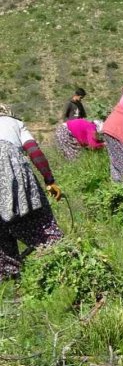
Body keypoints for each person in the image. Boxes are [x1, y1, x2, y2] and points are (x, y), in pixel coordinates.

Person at [0, 104, 64, 281]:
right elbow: (34, 151)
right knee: (38, 224)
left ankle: (9, 278)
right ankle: (61, 260)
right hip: (12, 176)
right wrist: (49, 180)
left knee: (2, 234)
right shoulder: (14, 123)